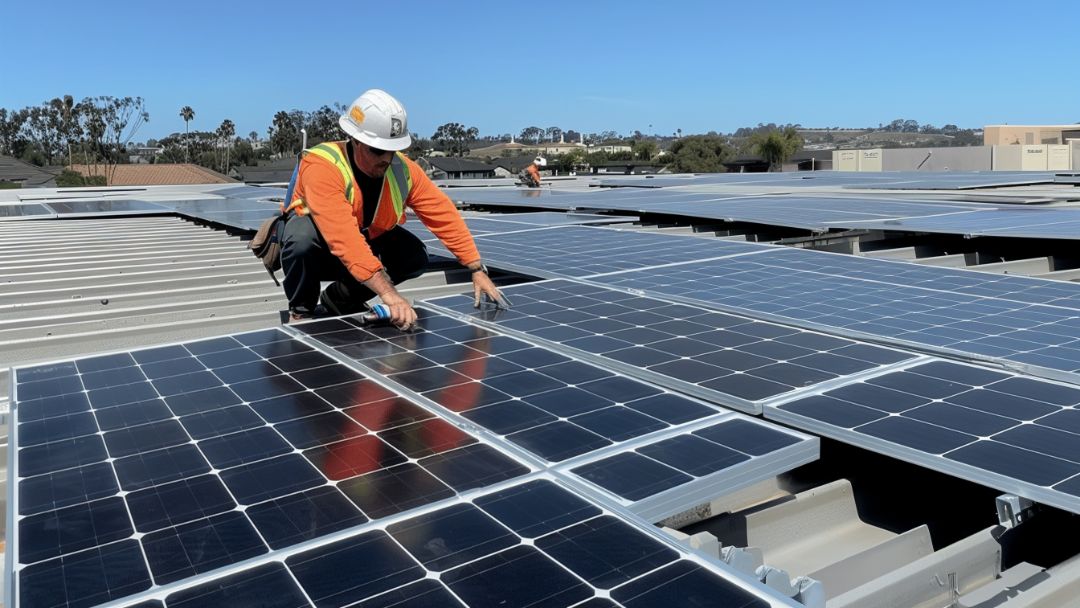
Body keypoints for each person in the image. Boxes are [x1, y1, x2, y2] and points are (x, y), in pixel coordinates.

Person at [280, 89, 508, 329]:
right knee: (300, 239)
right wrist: (390, 296)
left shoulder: (402, 169)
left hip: (364, 240)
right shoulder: (322, 165)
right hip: (320, 251)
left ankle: (340, 298)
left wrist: (475, 266)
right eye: (378, 150)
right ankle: (301, 310)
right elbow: (343, 238)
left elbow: (442, 213)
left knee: (414, 256)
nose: (387, 158)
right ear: (356, 141)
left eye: (393, 149)